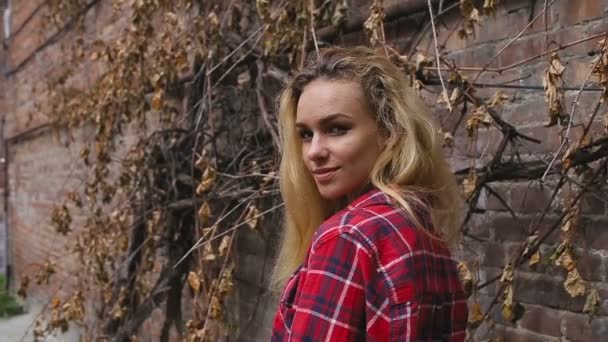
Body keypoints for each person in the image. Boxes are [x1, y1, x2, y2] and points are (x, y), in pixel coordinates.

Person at [270, 46, 468, 341]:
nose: (313, 152)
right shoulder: (421, 231)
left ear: (389, 132)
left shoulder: (348, 236)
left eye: (337, 128)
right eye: (305, 134)